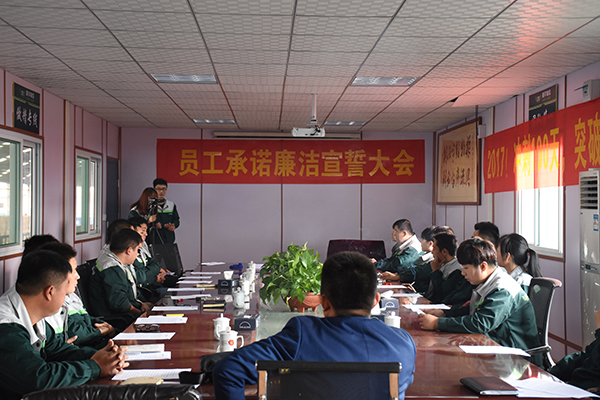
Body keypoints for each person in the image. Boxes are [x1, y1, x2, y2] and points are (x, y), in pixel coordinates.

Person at [213, 251, 416, 400]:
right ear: (375, 301)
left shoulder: (302, 335)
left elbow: (228, 370)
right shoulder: (403, 345)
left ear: (323, 303)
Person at [0, 250, 128, 400]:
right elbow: (39, 379)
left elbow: (57, 350)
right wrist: (95, 367)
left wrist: (103, 357)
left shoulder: (33, 312)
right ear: (50, 292)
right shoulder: (7, 328)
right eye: (65, 289)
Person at [419, 238, 540, 361]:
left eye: (466, 268)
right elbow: (474, 308)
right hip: (495, 344)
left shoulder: (503, 290)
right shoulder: (490, 282)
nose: (463, 273)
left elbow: (481, 323)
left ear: (483, 266)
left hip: (516, 356)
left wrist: (437, 323)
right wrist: (444, 313)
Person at [42, 242, 115, 348]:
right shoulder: (53, 303)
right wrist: (101, 332)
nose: (78, 276)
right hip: (87, 347)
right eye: (74, 271)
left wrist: (106, 326)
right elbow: (75, 334)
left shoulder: (72, 296)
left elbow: (87, 319)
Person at [89, 229, 152, 319]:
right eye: (137, 250)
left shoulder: (115, 262)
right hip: (115, 318)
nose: (137, 254)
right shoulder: (111, 268)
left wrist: (141, 304)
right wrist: (141, 315)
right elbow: (119, 303)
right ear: (129, 250)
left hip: (123, 313)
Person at [549, 310, 600, 391]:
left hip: (584, 391)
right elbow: (585, 356)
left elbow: (591, 377)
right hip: (572, 387)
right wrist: (550, 374)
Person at [380, 226, 435, 293]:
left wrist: (397, 276)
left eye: (423, 239)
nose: (421, 242)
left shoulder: (414, 249)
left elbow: (416, 271)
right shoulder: (424, 256)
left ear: (430, 243)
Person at [424, 232, 473, 306]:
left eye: (434, 248)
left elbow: (442, 295)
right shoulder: (441, 264)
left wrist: (436, 271)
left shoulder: (456, 270)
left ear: (444, 252)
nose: (432, 252)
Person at [129, 216, 168, 300]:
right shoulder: (129, 252)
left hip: (153, 286)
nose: (146, 234)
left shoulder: (143, 246)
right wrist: (155, 277)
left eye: (146, 231)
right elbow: (141, 277)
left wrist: (159, 270)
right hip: (145, 292)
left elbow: (154, 262)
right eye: (142, 232)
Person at [149, 178, 180, 244]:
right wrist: (158, 225)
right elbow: (147, 220)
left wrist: (173, 225)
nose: (161, 191)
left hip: (169, 239)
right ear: (154, 190)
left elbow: (176, 219)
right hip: (154, 239)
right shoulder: (150, 205)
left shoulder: (171, 205)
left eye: (164, 189)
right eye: (158, 189)